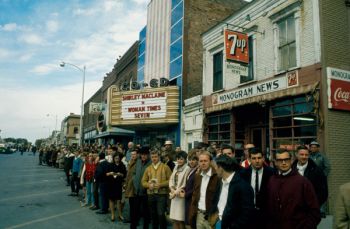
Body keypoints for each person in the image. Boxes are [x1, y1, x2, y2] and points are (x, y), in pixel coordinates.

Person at [267, 149, 321, 229]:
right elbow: (269, 208)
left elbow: (314, 211)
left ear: (291, 160)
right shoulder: (272, 181)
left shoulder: (302, 182)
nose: (284, 163)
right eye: (280, 160)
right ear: (275, 162)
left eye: (286, 160)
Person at [213, 154, 255, 229]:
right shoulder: (221, 182)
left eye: (216, 167)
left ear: (221, 168)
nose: (215, 169)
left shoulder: (243, 186)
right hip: (220, 223)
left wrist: (233, 226)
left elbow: (247, 213)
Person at [240, 147, 275, 229]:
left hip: (266, 214)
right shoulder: (243, 174)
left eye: (259, 158)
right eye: (254, 158)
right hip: (248, 214)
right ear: (249, 159)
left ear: (263, 158)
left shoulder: (272, 173)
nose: (257, 161)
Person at [189, 151, 221, 229]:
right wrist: (192, 212)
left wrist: (216, 214)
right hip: (199, 214)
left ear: (210, 161)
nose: (203, 163)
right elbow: (195, 195)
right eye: (201, 161)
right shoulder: (197, 176)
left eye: (205, 161)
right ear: (198, 162)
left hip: (212, 216)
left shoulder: (217, 176)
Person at [142, 149, 172, 229]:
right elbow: (143, 182)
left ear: (159, 157)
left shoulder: (165, 167)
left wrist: (161, 185)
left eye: (155, 157)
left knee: (161, 214)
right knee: (153, 215)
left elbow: (171, 180)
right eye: (152, 157)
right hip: (151, 194)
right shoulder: (148, 168)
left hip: (161, 194)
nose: (154, 158)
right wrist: (149, 185)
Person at [292, 145, 328, 209]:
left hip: (311, 210)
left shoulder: (317, 171)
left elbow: (323, 192)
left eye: (306, 155)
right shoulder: (290, 170)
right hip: (293, 209)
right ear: (296, 155)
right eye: (301, 154)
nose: (304, 157)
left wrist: (314, 206)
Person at [169, 151, 190, 229]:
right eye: (178, 159)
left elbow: (184, 183)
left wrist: (175, 192)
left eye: (181, 159)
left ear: (185, 159)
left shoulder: (187, 168)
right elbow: (171, 179)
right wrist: (171, 188)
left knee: (180, 219)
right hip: (174, 196)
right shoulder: (175, 167)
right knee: (174, 219)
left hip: (180, 197)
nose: (179, 161)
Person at [132, 147, 151, 229]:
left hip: (146, 192)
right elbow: (134, 173)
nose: (143, 156)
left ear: (148, 155)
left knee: (146, 213)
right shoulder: (138, 162)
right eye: (142, 154)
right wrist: (134, 182)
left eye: (145, 155)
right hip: (137, 191)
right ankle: (133, 227)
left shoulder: (150, 163)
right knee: (135, 212)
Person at [106, 153, 127, 221]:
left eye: (118, 158)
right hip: (111, 184)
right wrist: (110, 173)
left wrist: (120, 174)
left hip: (118, 184)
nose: (116, 160)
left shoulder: (122, 165)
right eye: (115, 158)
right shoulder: (110, 165)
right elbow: (106, 174)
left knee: (119, 200)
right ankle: (112, 215)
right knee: (111, 199)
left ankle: (120, 214)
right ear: (113, 159)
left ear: (120, 158)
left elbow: (124, 175)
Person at [184, 150, 199, 228]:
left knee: (191, 222)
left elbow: (195, 187)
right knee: (187, 222)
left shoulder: (198, 171)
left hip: (192, 200)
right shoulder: (190, 170)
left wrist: (185, 194)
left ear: (197, 161)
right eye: (190, 160)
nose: (191, 162)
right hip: (187, 199)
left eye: (193, 160)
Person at [125, 148, 139, 225]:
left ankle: (135, 220)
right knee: (131, 204)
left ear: (137, 155)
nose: (133, 156)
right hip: (129, 185)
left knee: (135, 205)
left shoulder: (138, 163)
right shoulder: (130, 162)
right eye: (132, 154)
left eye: (134, 154)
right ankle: (132, 219)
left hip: (134, 186)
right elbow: (128, 174)